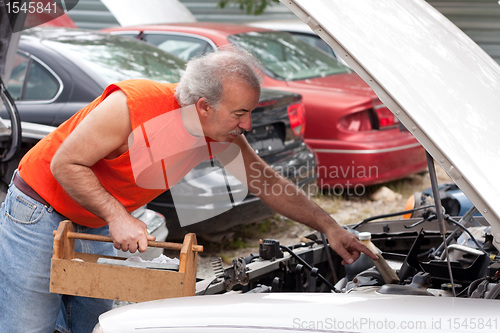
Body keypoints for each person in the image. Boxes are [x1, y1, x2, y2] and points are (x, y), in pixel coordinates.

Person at [0, 48, 377, 333]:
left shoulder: (219, 134)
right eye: (240, 113)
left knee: (95, 325)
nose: (247, 125)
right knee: (27, 326)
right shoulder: (132, 106)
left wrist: (331, 227)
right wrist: (118, 216)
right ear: (203, 106)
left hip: (94, 221)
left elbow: (266, 183)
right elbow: (65, 165)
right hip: (39, 212)